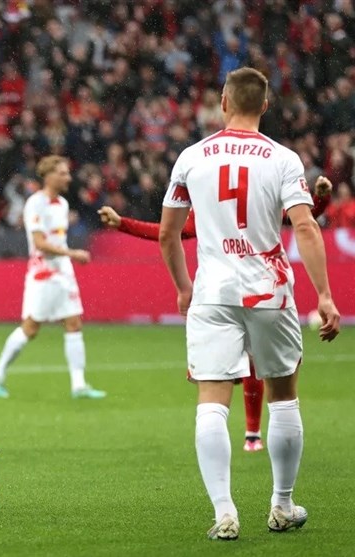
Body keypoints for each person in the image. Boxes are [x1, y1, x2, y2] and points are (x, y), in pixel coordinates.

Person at [159, 67, 340, 540]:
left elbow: (168, 234)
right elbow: (305, 226)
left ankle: (224, 512)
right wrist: (324, 294)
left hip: (213, 291)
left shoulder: (191, 157)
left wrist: (183, 286)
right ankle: (282, 504)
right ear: (264, 105)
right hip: (269, 289)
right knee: (283, 396)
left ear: (223, 102)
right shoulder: (283, 158)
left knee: (211, 399)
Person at [98, 175, 333, 452]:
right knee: (258, 374)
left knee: (223, 382)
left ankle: (251, 434)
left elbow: (169, 233)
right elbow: (298, 219)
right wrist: (122, 223)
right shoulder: (216, 205)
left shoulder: (237, 200)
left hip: (223, 293)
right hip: (256, 289)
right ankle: (255, 438)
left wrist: (320, 199)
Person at [0, 156, 106, 400]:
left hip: (63, 271)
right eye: (62, 173)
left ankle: (79, 385)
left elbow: (56, 239)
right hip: (43, 272)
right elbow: (40, 244)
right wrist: (72, 253)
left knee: (74, 323)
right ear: (49, 176)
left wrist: (67, 258)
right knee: (31, 328)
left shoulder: (62, 203)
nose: (68, 178)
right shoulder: (35, 203)